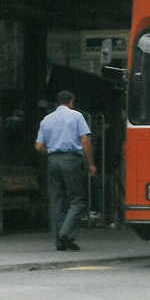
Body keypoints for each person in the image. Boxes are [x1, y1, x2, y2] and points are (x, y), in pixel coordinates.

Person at [34, 90, 96, 251]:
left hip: (53, 160)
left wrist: (51, 153)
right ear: (71, 101)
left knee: (56, 200)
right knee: (77, 200)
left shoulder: (46, 119)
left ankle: (60, 240)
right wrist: (90, 163)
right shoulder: (76, 116)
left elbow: (39, 146)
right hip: (71, 160)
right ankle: (65, 234)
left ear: (57, 102)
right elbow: (85, 140)